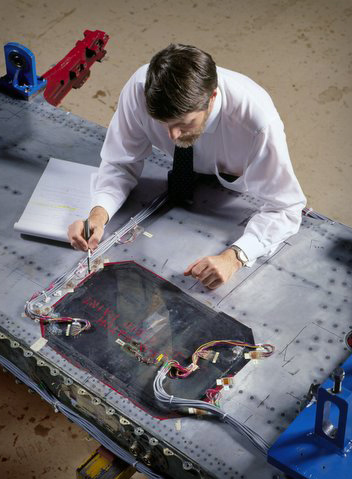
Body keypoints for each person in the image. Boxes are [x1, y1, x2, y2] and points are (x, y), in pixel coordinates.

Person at [68, 43, 306, 290]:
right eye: (163, 123)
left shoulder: (256, 123)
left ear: (211, 98)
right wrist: (98, 215)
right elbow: (119, 162)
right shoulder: (139, 90)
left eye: (184, 123)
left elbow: (286, 208)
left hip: (232, 194)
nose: (172, 136)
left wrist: (235, 256)